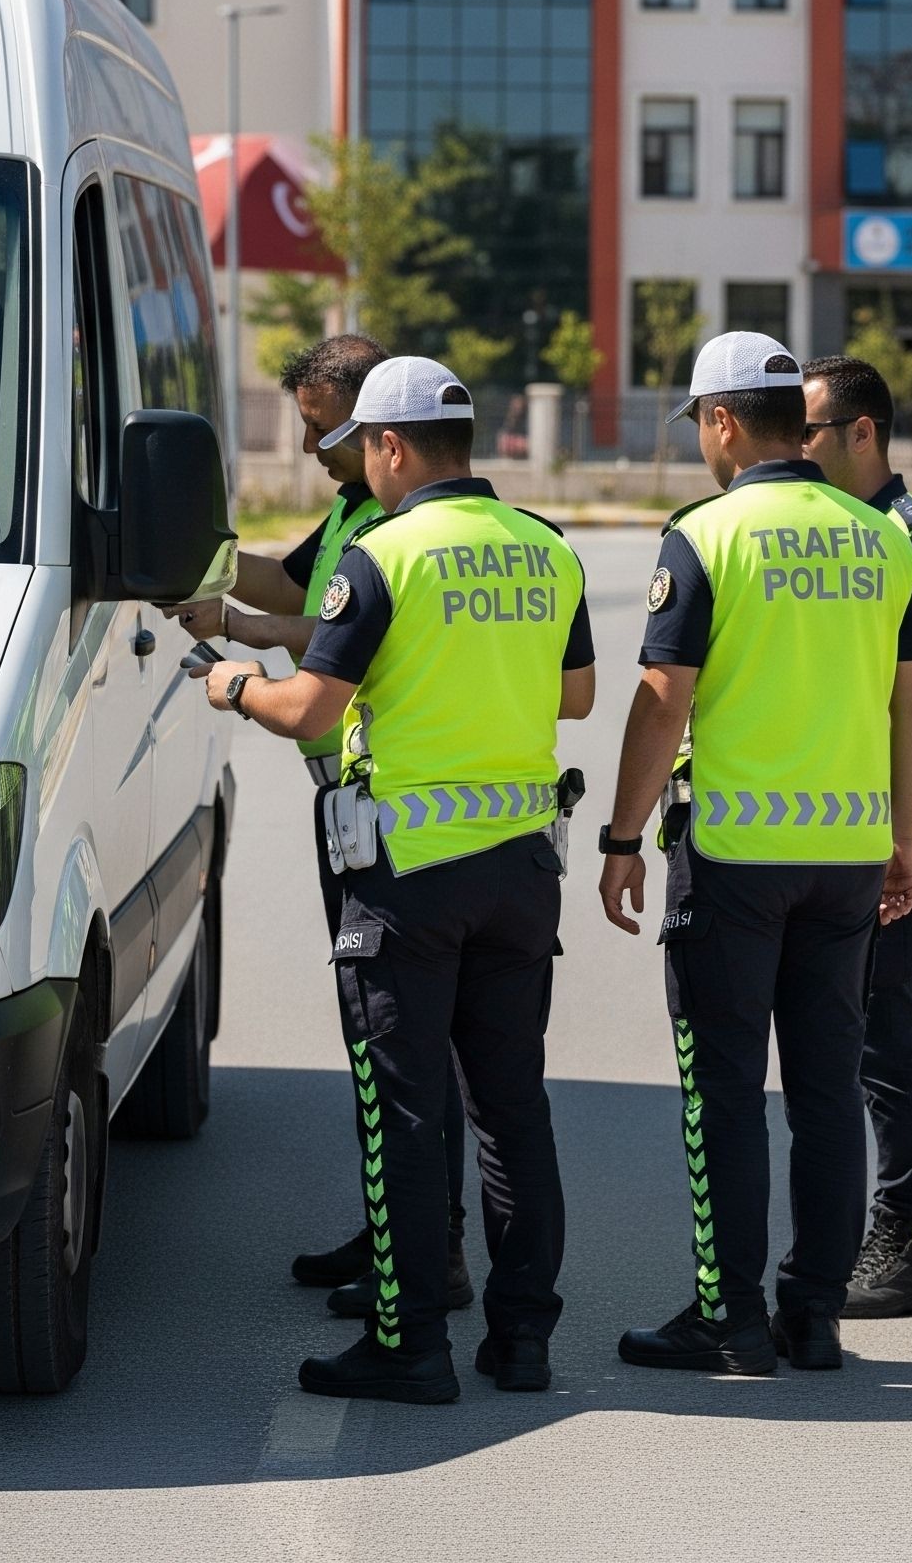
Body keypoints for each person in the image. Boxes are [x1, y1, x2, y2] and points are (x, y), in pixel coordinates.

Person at [195, 357, 594, 1403]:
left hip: (407, 876)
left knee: (405, 1112)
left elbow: (311, 711)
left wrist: (236, 684)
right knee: (510, 1111)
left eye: (357, 447)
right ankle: (522, 1341)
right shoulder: (545, 550)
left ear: (388, 445)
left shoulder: (379, 555)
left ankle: (408, 1342)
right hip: (518, 868)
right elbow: (578, 692)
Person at [597, 330, 912, 1375]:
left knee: (726, 1090)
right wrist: (905, 829)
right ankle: (814, 1315)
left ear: (722, 421)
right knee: (828, 1087)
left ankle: (728, 1315)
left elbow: (663, 698)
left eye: (700, 424)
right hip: (844, 852)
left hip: (736, 855)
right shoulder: (879, 535)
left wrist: (618, 833)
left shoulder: (707, 531)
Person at [167, 334, 474, 1316]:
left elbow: (339, 631)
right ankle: (394, 1230)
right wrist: (199, 566)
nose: (308, 450)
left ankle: (430, 1255)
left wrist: (247, 640)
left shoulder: (404, 532)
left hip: (394, 812)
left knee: (410, 1049)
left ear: (372, 420)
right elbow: (294, 583)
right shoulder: (353, 508)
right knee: (376, 1042)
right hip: (352, 803)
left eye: (318, 429)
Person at [801, 353, 912, 1318]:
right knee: (857, 1031)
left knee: (883, 1035)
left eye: (811, 432)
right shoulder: (854, 533)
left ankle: (910, 1241)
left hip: (906, 833)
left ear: (861, 432)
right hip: (864, 827)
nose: (796, 447)